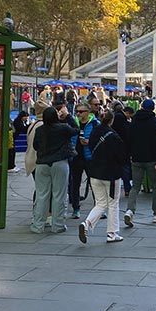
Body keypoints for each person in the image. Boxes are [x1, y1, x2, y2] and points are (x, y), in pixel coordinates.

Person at [79, 108, 126, 244]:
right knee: (113, 203)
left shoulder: (94, 132)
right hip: (111, 174)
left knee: (100, 203)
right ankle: (112, 233)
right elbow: (121, 157)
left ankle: (87, 223)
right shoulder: (114, 136)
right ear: (112, 121)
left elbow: (91, 146)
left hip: (95, 172)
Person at [31, 105, 78, 234]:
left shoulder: (40, 130)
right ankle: (58, 225)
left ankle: (38, 225)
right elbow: (76, 129)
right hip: (59, 163)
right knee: (59, 195)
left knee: (41, 195)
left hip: (42, 164)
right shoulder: (63, 128)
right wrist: (68, 116)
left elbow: (35, 146)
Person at [125, 99, 156, 226]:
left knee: (135, 186)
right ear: (153, 109)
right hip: (152, 159)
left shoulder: (134, 121)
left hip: (136, 159)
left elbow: (129, 140)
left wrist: (130, 155)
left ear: (141, 107)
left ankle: (130, 210)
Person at [69, 98, 101, 219]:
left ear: (88, 112)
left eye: (81, 111)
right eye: (77, 111)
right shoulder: (73, 123)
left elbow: (100, 140)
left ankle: (98, 208)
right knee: (75, 183)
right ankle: (76, 208)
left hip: (90, 157)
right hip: (76, 157)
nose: (78, 114)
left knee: (95, 184)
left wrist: (90, 142)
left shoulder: (95, 123)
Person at [111, 101, 132, 199]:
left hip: (117, 147)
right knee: (125, 168)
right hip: (122, 147)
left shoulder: (117, 117)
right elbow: (125, 132)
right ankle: (127, 188)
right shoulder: (121, 118)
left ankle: (125, 187)